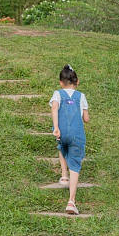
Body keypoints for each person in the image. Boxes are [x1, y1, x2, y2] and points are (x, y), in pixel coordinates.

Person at [49, 64, 89, 215]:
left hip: (62, 132)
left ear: (60, 82)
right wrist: (86, 115)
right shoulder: (81, 96)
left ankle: (64, 175)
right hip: (77, 135)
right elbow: (86, 118)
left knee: (62, 147)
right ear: (76, 82)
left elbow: (54, 108)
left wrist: (56, 127)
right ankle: (71, 201)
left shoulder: (57, 94)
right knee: (76, 165)